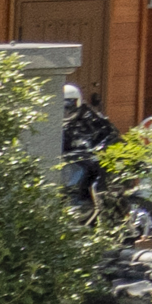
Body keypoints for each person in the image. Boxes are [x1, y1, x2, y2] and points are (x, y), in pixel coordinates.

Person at [59, 80, 116, 216]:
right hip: (68, 158)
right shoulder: (56, 121)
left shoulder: (91, 116)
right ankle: (73, 203)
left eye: (70, 105)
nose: (67, 111)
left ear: (78, 102)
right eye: (64, 106)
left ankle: (94, 202)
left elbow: (110, 132)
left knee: (94, 170)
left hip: (90, 157)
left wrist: (101, 147)